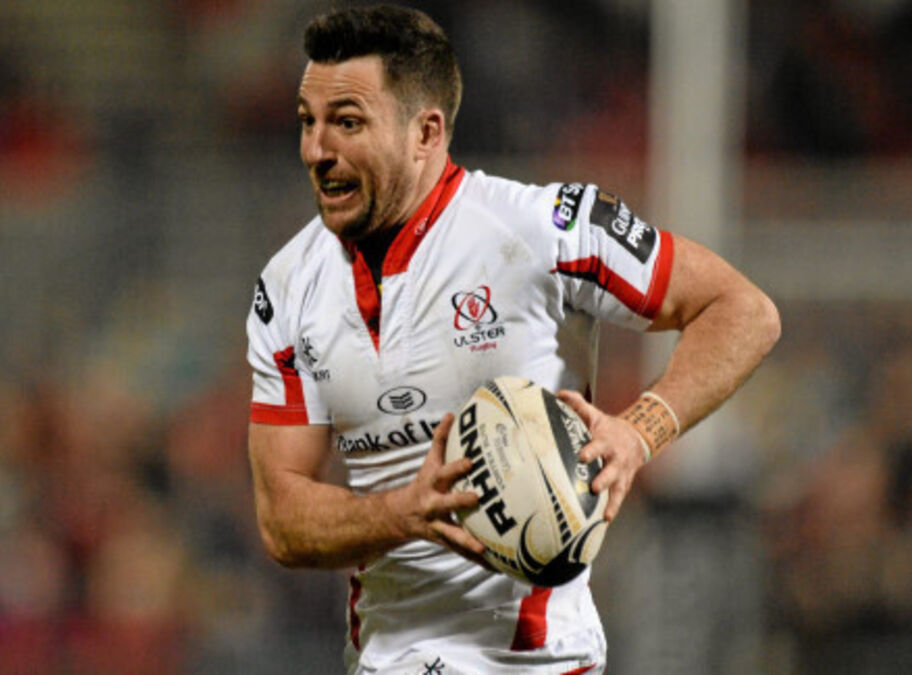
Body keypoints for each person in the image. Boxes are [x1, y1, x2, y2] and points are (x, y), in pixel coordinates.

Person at [245, 5, 780, 673]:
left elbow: (743, 311)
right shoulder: (287, 287)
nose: (316, 150)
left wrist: (637, 433)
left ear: (426, 132)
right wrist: (402, 513)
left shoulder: (544, 230)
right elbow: (282, 519)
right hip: (387, 660)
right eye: (308, 121)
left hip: (542, 662)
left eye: (347, 123)